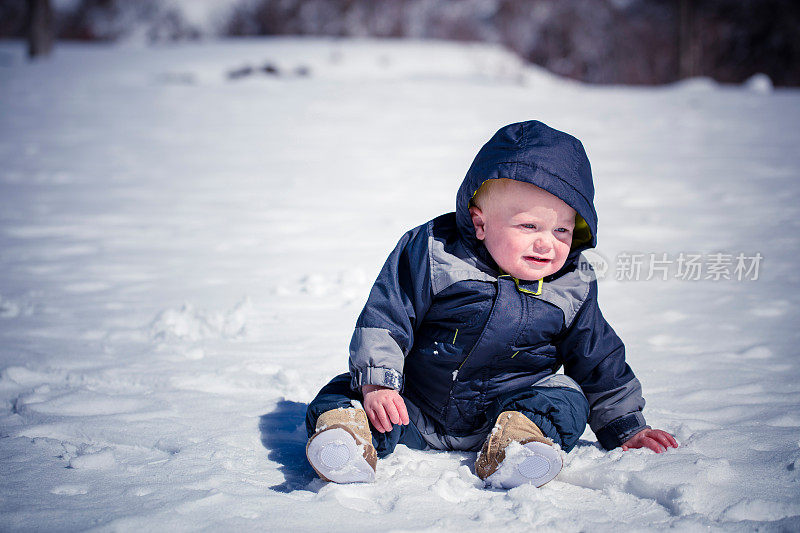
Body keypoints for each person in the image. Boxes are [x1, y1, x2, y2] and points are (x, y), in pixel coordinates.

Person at [304, 120, 678, 488]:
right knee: (348, 392)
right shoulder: (438, 253)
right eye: (529, 226)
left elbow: (597, 358)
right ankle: (345, 439)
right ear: (480, 223)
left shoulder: (571, 284)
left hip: (507, 412)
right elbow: (388, 314)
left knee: (566, 397)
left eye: (561, 229)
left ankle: (518, 448)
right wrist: (379, 383)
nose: (546, 243)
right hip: (413, 408)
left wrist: (625, 425)